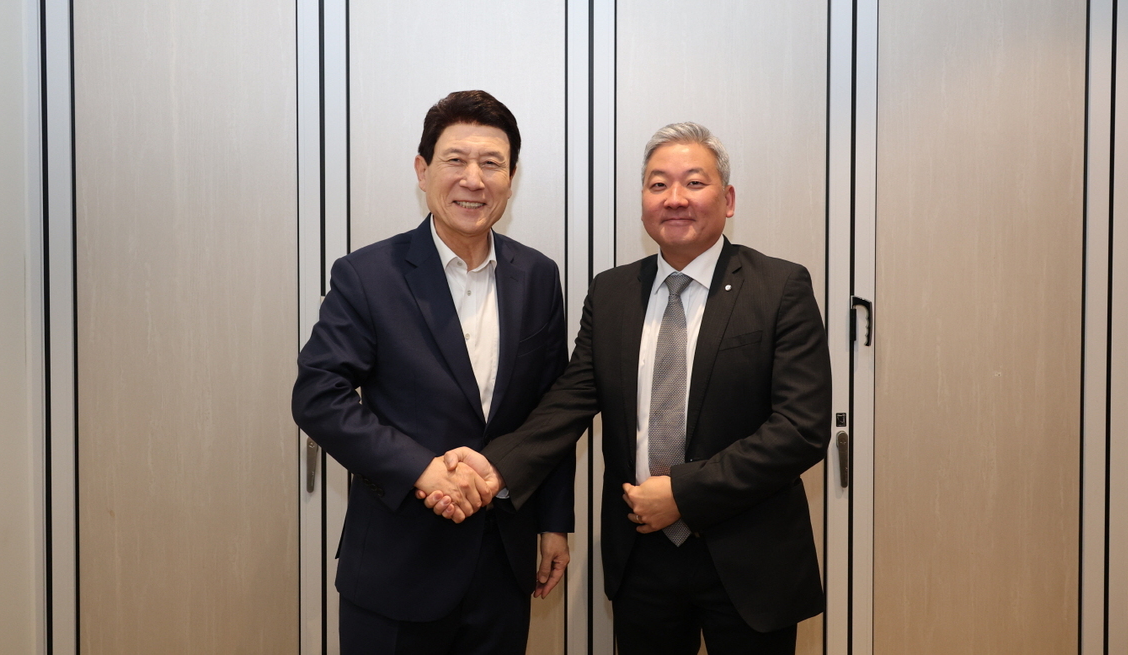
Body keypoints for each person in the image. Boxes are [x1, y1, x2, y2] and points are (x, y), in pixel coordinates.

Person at [426, 122, 831, 655]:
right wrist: (494, 467)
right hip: (643, 557)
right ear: (643, 202)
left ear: (728, 200)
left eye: (694, 183)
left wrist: (683, 494)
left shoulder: (779, 287)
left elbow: (801, 429)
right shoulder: (613, 292)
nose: (675, 198)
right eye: (658, 185)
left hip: (750, 556)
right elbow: (570, 400)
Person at [292, 90, 573, 654]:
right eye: (455, 160)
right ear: (423, 171)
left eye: (491, 163)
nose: (474, 179)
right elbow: (319, 395)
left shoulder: (538, 276)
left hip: (503, 564)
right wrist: (421, 469)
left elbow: (552, 411)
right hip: (398, 567)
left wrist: (553, 522)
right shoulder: (368, 274)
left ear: (511, 178)